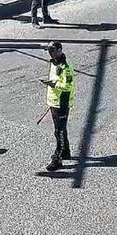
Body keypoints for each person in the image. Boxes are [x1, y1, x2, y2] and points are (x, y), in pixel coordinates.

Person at [41, 41, 75, 172]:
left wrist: (53, 84)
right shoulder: (54, 63)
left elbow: (68, 86)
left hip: (61, 103)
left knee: (58, 132)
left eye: (53, 50)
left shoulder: (65, 67)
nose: (50, 53)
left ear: (60, 50)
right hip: (54, 102)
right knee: (61, 129)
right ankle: (65, 151)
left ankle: (58, 158)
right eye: (49, 50)